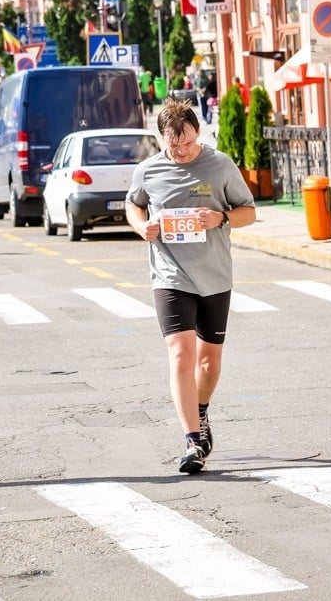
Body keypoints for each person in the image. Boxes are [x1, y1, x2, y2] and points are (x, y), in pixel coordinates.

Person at [125, 98, 256, 474]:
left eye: (185, 142)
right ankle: (192, 440)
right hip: (169, 274)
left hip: (214, 275)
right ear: (161, 138)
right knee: (180, 354)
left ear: (197, 132)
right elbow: (133, 204)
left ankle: (201, 410)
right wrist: (141, 226)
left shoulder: (219, 165)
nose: (179, 151)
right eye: (172, 144)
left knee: (208, 360)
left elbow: (248, 211)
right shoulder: (149, 170)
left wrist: (221, 218)